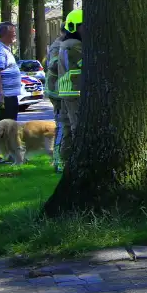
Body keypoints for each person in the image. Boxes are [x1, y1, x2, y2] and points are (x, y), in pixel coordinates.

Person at [0, 22, 22, 164]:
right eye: (12, 32)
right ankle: (7, 156)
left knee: (3, 127)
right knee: (4, 128)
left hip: (8, 95)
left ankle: (0, 156)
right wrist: (1, 93)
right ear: (4, 34)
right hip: (4, 97)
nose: (14, 35)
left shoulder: (4, 49)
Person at [54, 10, 84, 172]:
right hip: (74, 91)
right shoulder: (74, 45)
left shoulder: (65, 44)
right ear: (74, 27)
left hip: (67, 91)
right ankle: (77, 163)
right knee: (77, 127)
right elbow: (87, 64)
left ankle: (62, 162)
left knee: (66, 129)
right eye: (83, 27)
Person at [44, 27, 66, 171]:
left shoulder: (61, 44)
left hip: (60, 91)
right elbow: (53, 65)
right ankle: (58, 161)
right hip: (58, 93)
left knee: (63, 126)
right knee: (62, 126)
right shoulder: (58, 46)